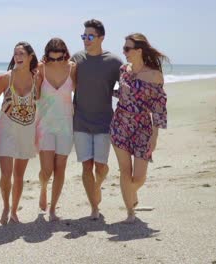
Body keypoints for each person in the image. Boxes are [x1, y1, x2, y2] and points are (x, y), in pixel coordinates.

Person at [111, 33, 168, 223]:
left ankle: (131, 192)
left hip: (143, 128)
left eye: (127, 49)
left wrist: (155, 135)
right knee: (125, 171)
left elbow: (159, 107)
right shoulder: (123, 70)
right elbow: (123, 94)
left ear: (139, 51)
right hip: (120, 124)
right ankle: (130, 212)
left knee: (139, 176)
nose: (124, 52)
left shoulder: (154, 75)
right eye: (124, 48)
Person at [71, 19, 123, 220]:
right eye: (84, 36)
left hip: (103, 122)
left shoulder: (114, 62)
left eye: (90, 36)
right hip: (80, 120)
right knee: (86, 165)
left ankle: (97, 186)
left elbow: (128, 85)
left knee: (101, 167)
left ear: (101, 38)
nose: (86, 40)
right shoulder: (77, 59)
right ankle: (94, 207)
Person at [0, 42, 40, 225]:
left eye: (21, 53)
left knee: (19, 175)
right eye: (15, 53)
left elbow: (44, 100)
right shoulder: (6, 78)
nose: (17, 56)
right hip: (6, 129)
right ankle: (5, 206)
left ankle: (14, 210)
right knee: (6, 173)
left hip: (27, 131)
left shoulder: (37, 79)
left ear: (30, 57)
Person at [36, 38, 76, 221]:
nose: (56, 62)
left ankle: (53, 209)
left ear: (65, 55)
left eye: (60, 58)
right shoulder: (41, 68)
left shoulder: (73, 68)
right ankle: (43, 188)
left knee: (60, 169)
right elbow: (33, 93)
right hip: (46, 125)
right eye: (52, 59)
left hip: (66, 126)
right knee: (47, 170)